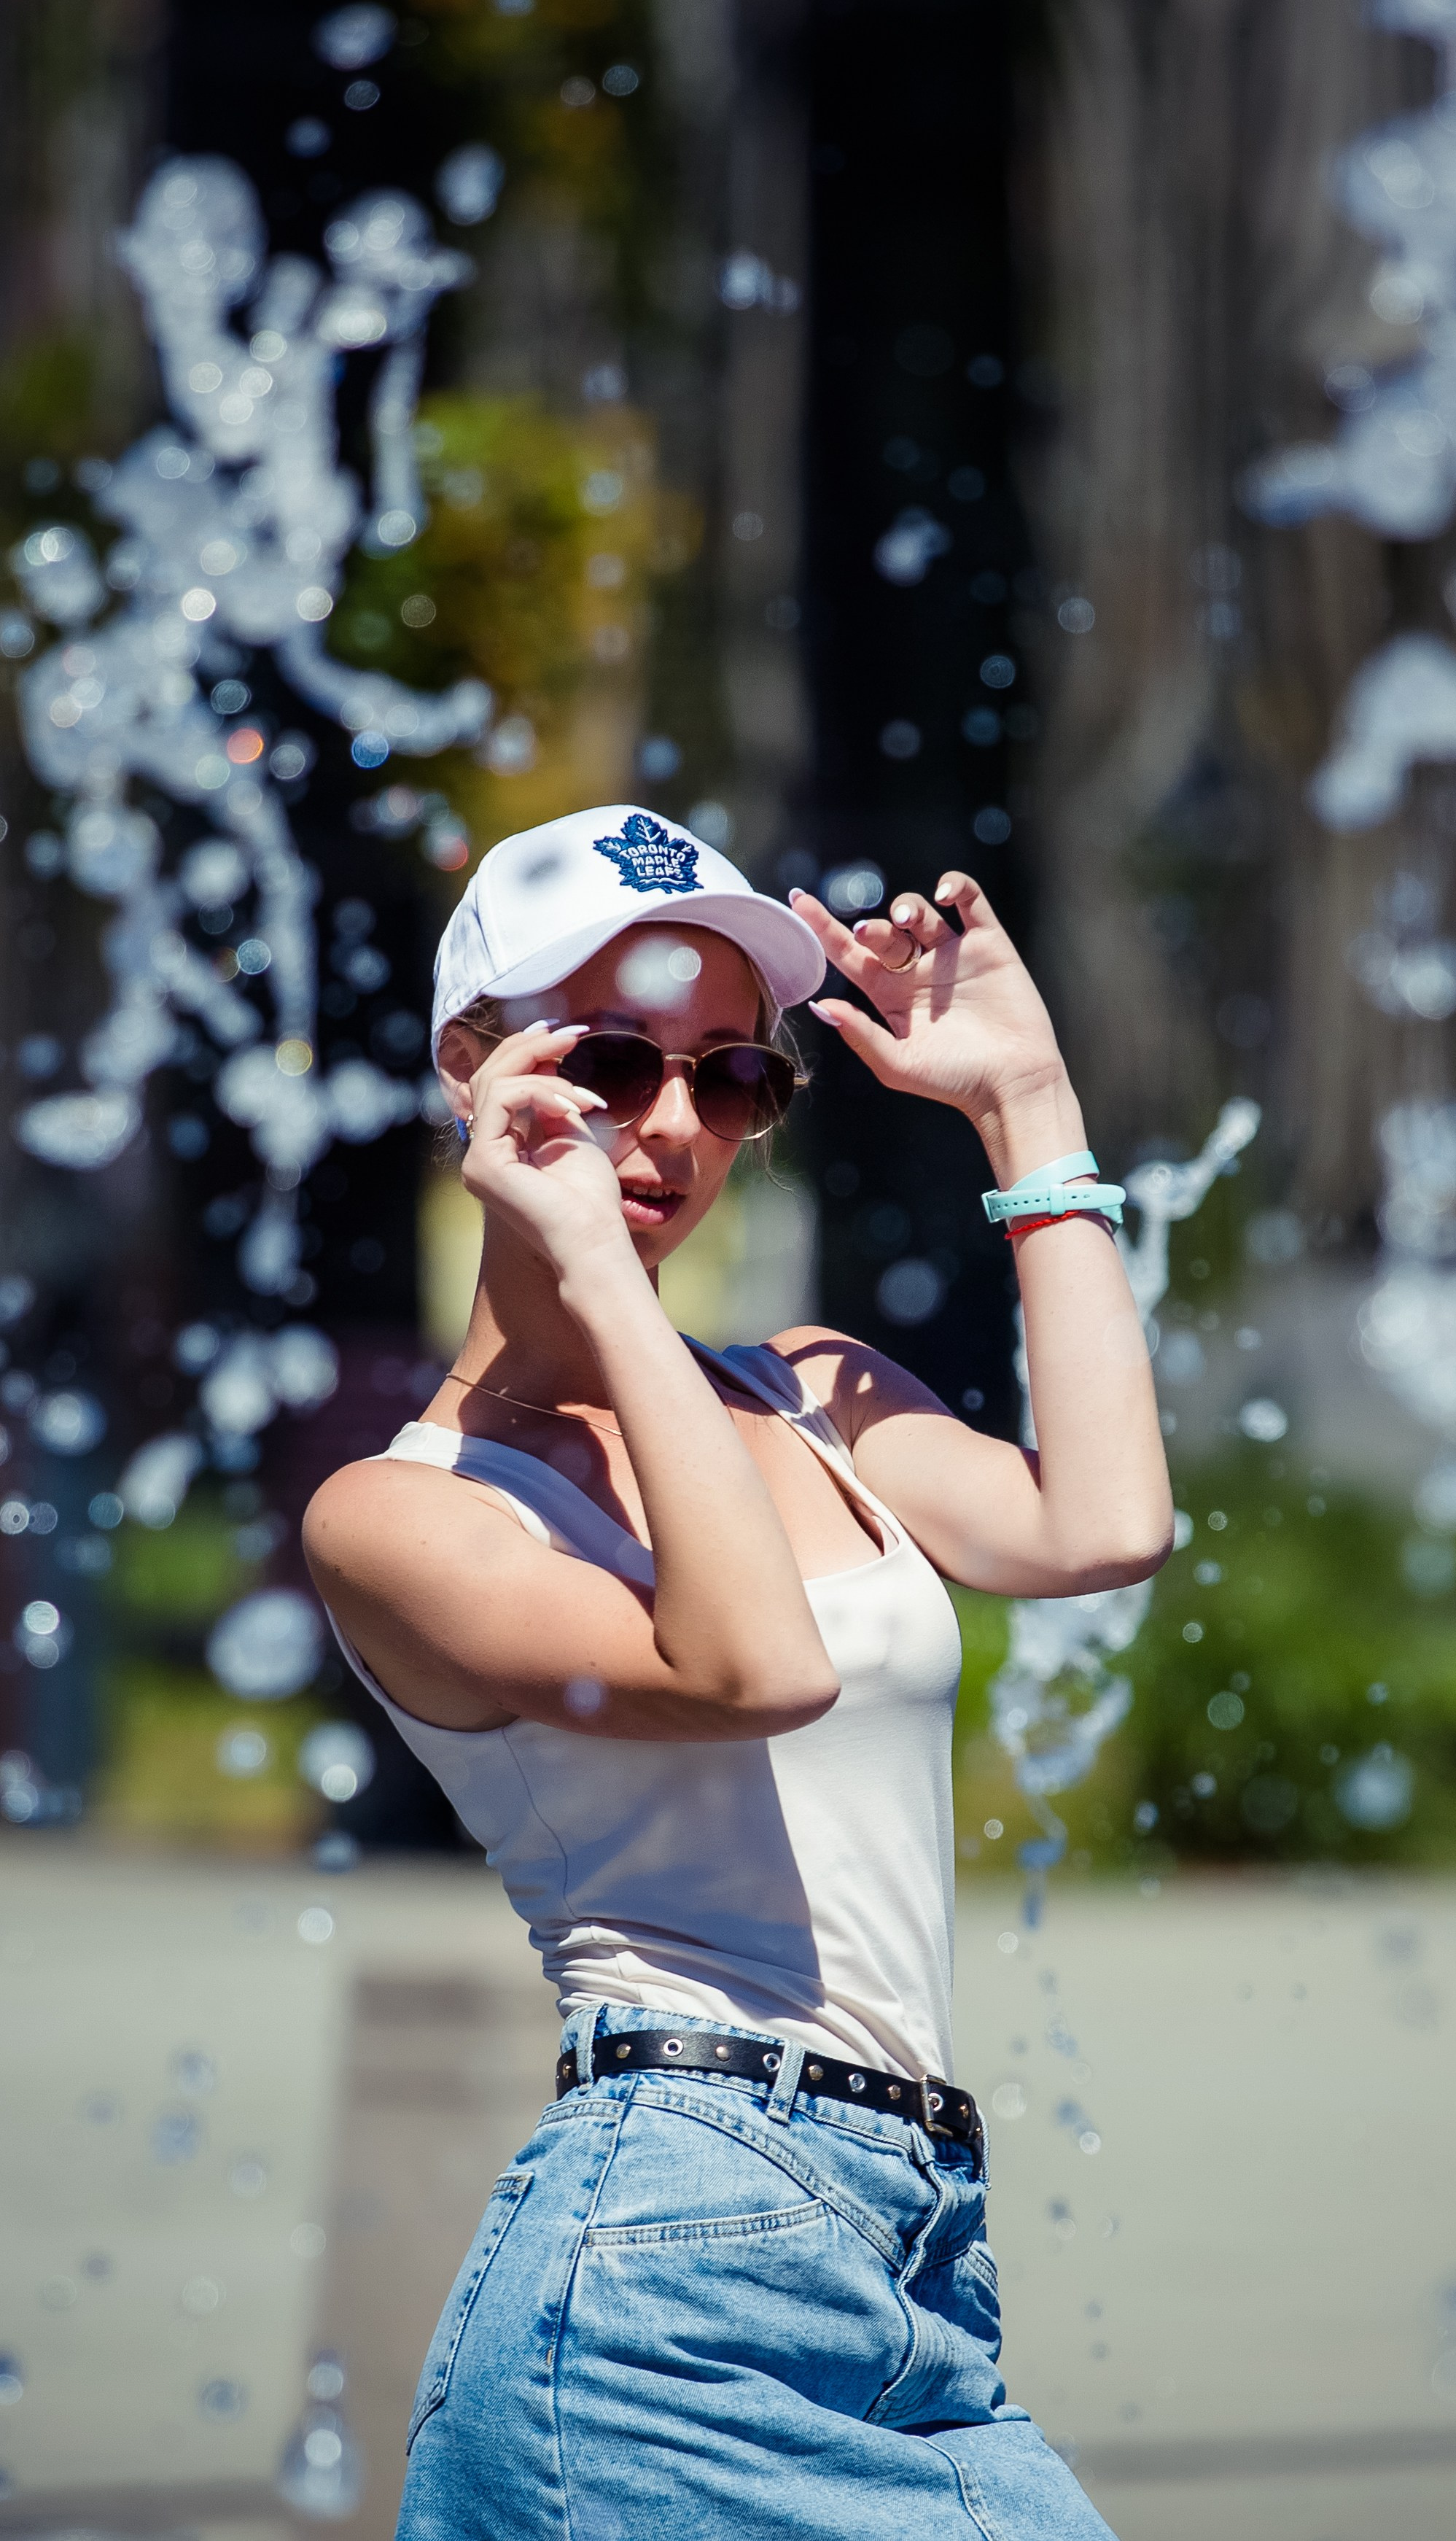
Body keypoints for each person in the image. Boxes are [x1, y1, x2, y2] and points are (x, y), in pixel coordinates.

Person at [304, 802, 1174, 2540]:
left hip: (913, 2245)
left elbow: (1105, 1523)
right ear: (471, 1070)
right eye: (613, 1062)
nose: (675, 1125)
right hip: (657, 2269)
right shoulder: (402, 1514)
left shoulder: (805, 1385)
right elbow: (752, 1660)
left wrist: (1027, 1104)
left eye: (734, 1078)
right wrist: (603, 1289)